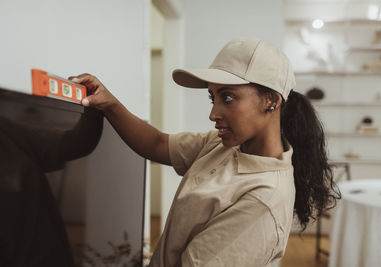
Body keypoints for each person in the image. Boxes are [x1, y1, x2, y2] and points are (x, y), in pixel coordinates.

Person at [69, 38, 340, 267]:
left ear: (271, 100)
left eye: (228, 97)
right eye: (213, 97)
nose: (213, 113)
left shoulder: (262, 198)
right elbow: (157, 144)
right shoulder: (223, 146)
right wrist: (109, 102)